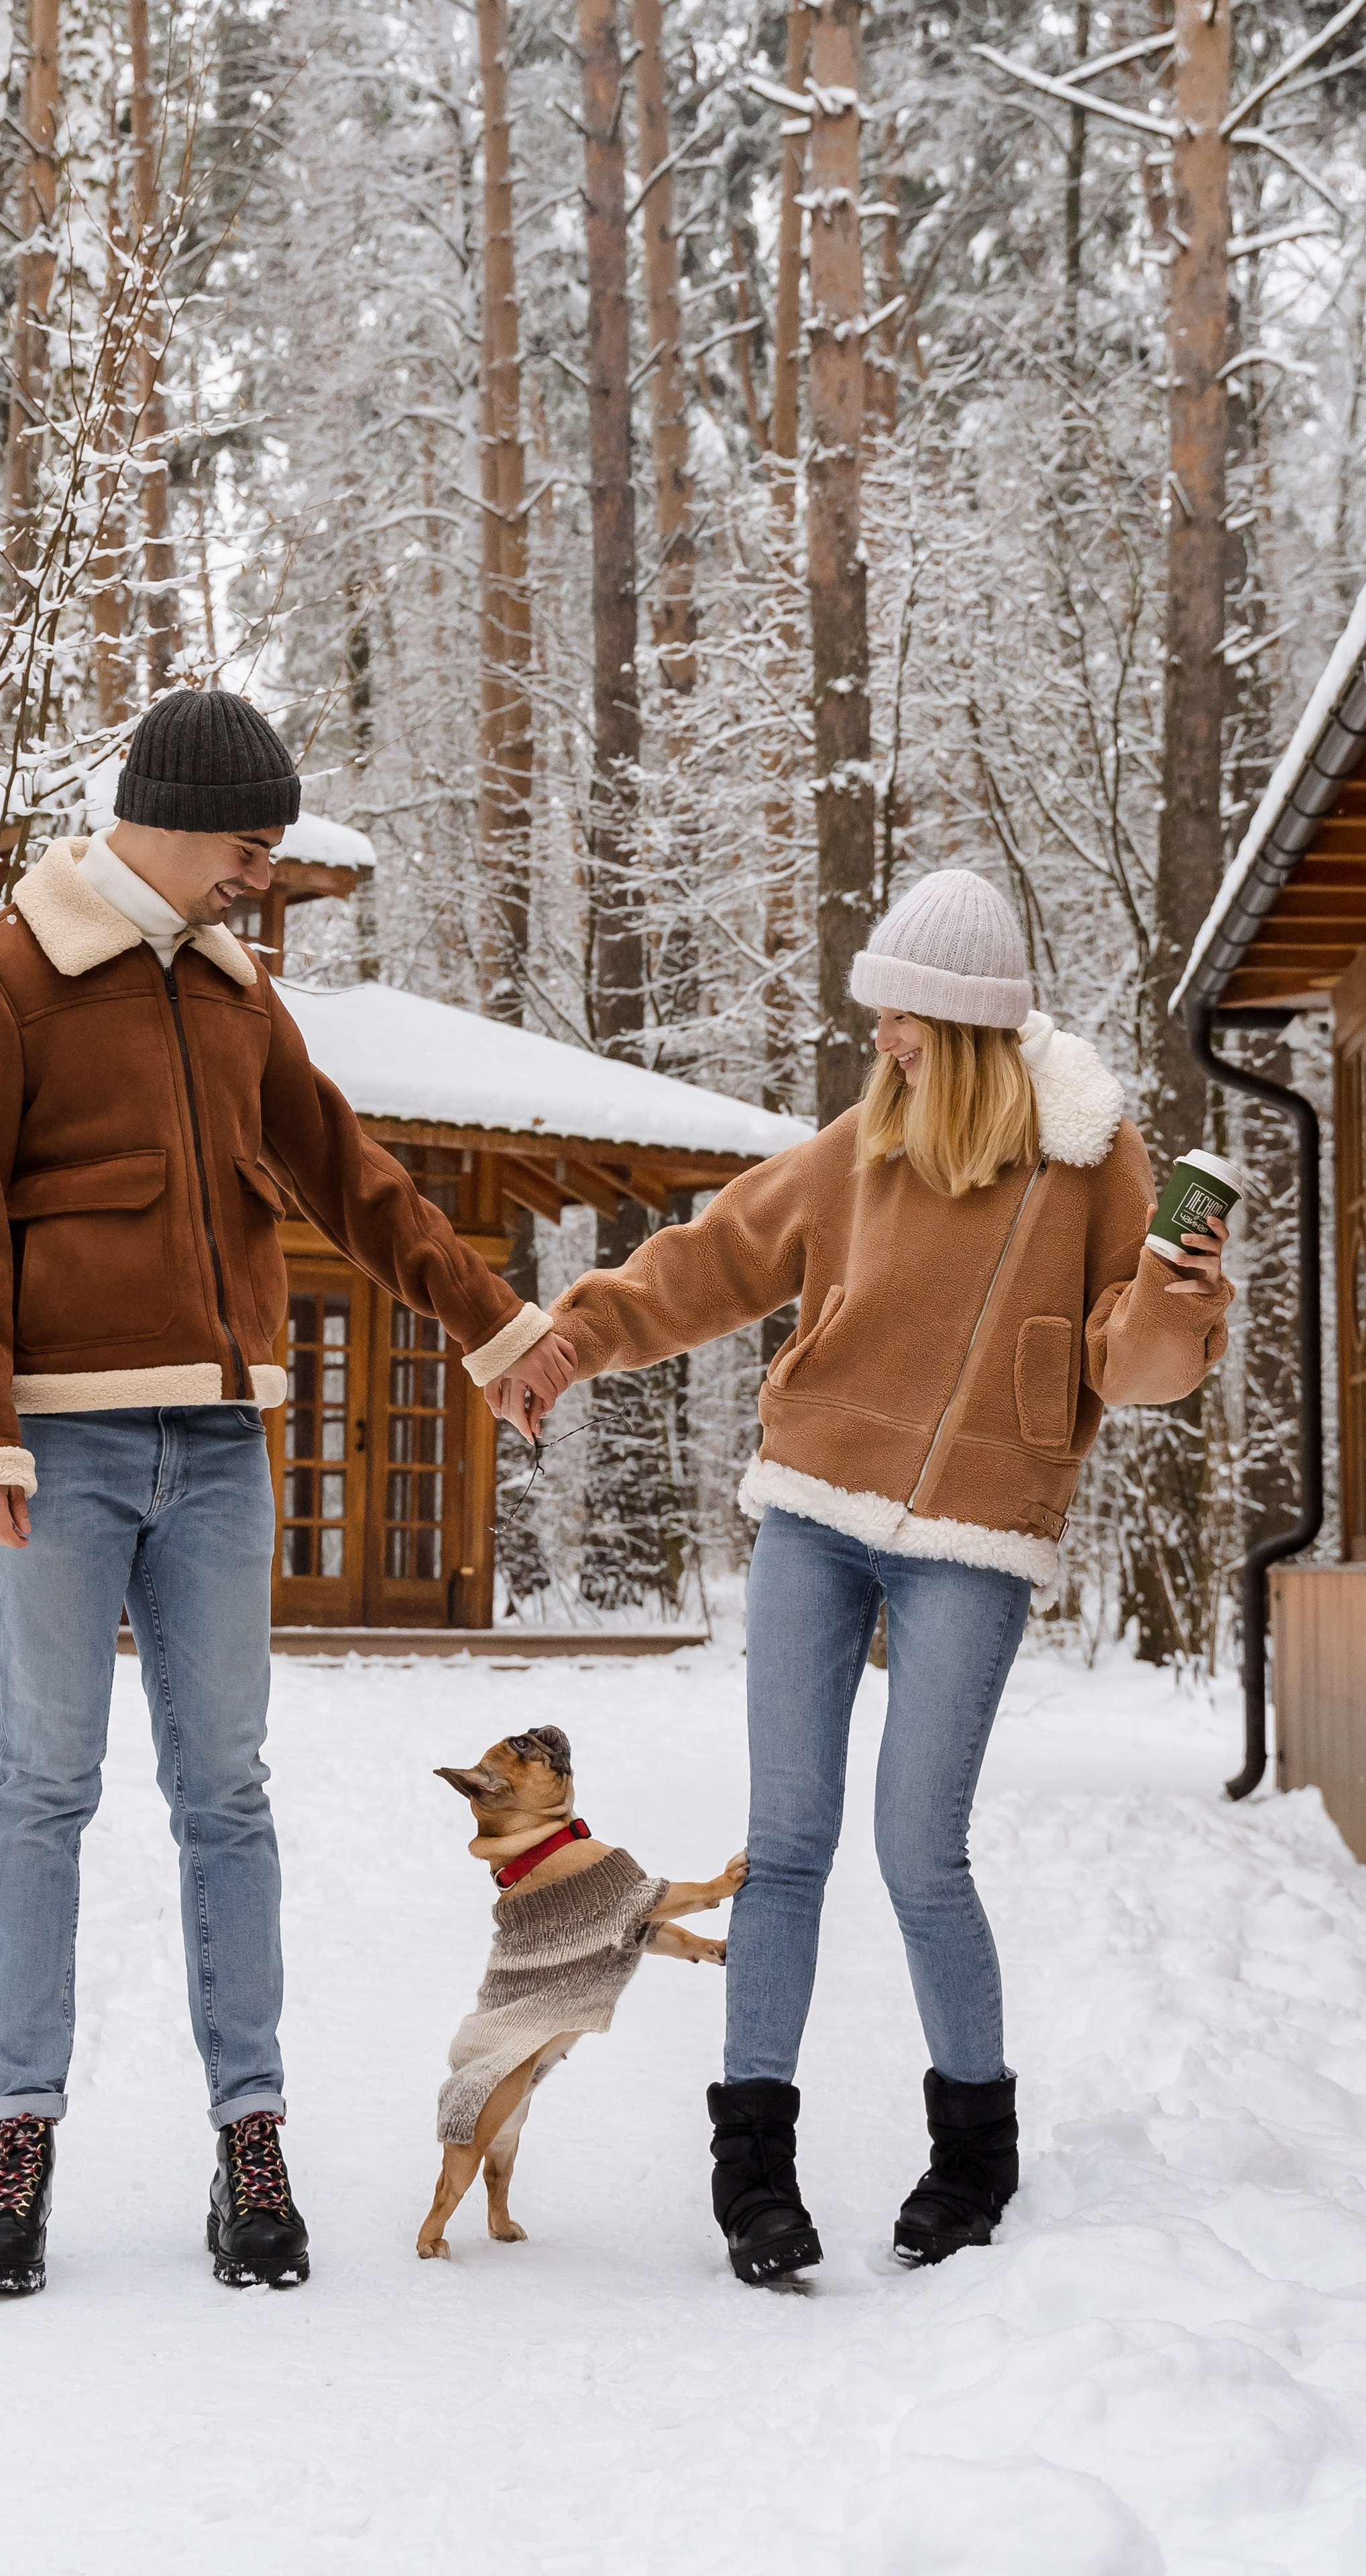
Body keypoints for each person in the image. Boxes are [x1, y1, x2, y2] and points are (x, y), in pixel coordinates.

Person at [0, 686, 575, 2298]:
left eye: (271, 856)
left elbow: (353, 1174)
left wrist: (497, 1329)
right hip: (55, 1452)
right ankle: (18, 2140)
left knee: (227, 1797)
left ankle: (248, 2137)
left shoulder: (232, 994)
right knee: (41, 1790)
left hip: (215, 1450)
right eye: (247, 850)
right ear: (171, 817)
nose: (259, 882)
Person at [486, 867, 1231, 2285]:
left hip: (974, 1535)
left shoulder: (1091, 1160)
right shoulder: (860, 1144)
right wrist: (574, 1338)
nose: (877, 1033)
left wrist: (1175, 1299)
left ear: (957, 1026)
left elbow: (1130, 1373)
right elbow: (715, 1259)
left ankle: (971, 2154)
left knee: (918, 1852)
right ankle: (751, 2164)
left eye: (898, 1014)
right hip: (817, 1511)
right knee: (788, 1843)